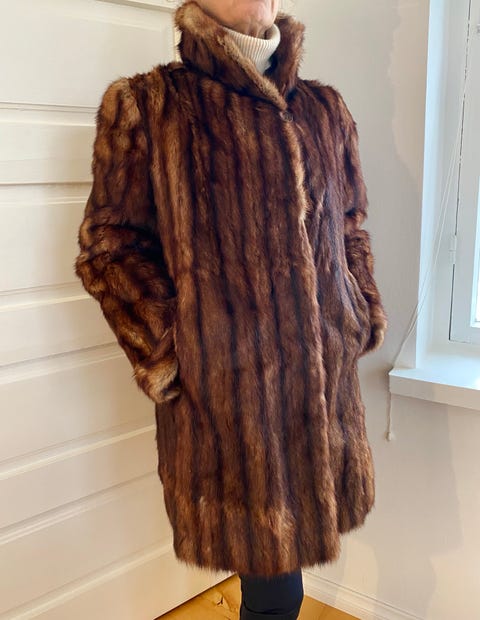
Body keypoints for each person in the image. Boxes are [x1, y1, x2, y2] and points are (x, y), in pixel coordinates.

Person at [74, 0, 388, 618]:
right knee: (274, 589)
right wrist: (177, 351)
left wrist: (359, 309)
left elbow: (350, 223)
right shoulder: (149, 107)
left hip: (324, 395)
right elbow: (109, 250)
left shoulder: (325, 109)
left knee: (290, 574)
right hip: (234, 410)